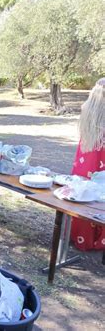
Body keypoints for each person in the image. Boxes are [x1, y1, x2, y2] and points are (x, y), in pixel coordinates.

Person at [70, 78, 105, 251]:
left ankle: (80, 235)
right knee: (99, 194)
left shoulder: (88, 110)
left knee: (83, 192)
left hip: (86, 159)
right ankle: (98, 238)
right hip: (100, 161)